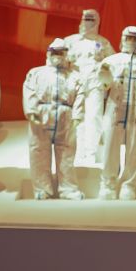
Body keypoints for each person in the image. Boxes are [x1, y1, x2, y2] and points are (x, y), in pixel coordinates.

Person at [99, 26, 136, 200]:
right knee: (110, 145)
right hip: (115, 107)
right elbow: (102, 83)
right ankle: (108, 184)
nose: (132, 42)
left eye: (135, 39)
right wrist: (103, 77)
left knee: (135, 147)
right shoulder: (111, 60)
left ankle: (128, 184)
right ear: (122, 39)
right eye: (129, 38)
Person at [23, 39, 84, 200]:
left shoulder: (74, 76)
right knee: (39, 152)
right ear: (49, 53)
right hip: (42, 114)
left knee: (66, 154)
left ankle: (68, 189)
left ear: (66, 54)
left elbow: (80, 96)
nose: (57, 56)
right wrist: (31, 111)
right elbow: (29, 91)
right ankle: (42, 189)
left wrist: (78, 115)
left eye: (61, 52)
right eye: (54, 52)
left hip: (66, 116)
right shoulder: (36, 73)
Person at [64, 9, 114, 164]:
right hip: (74, 82)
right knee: (74, 117)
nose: (89, 22)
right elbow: (59, 61)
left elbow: (113, 63)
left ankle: (90, 152)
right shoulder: (70, 41)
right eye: (87, 19)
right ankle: (75, 151)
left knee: (94, 116)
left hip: (95, 83)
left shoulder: (103, 42)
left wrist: (107, 81)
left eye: (92, 20)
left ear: (97, 22)